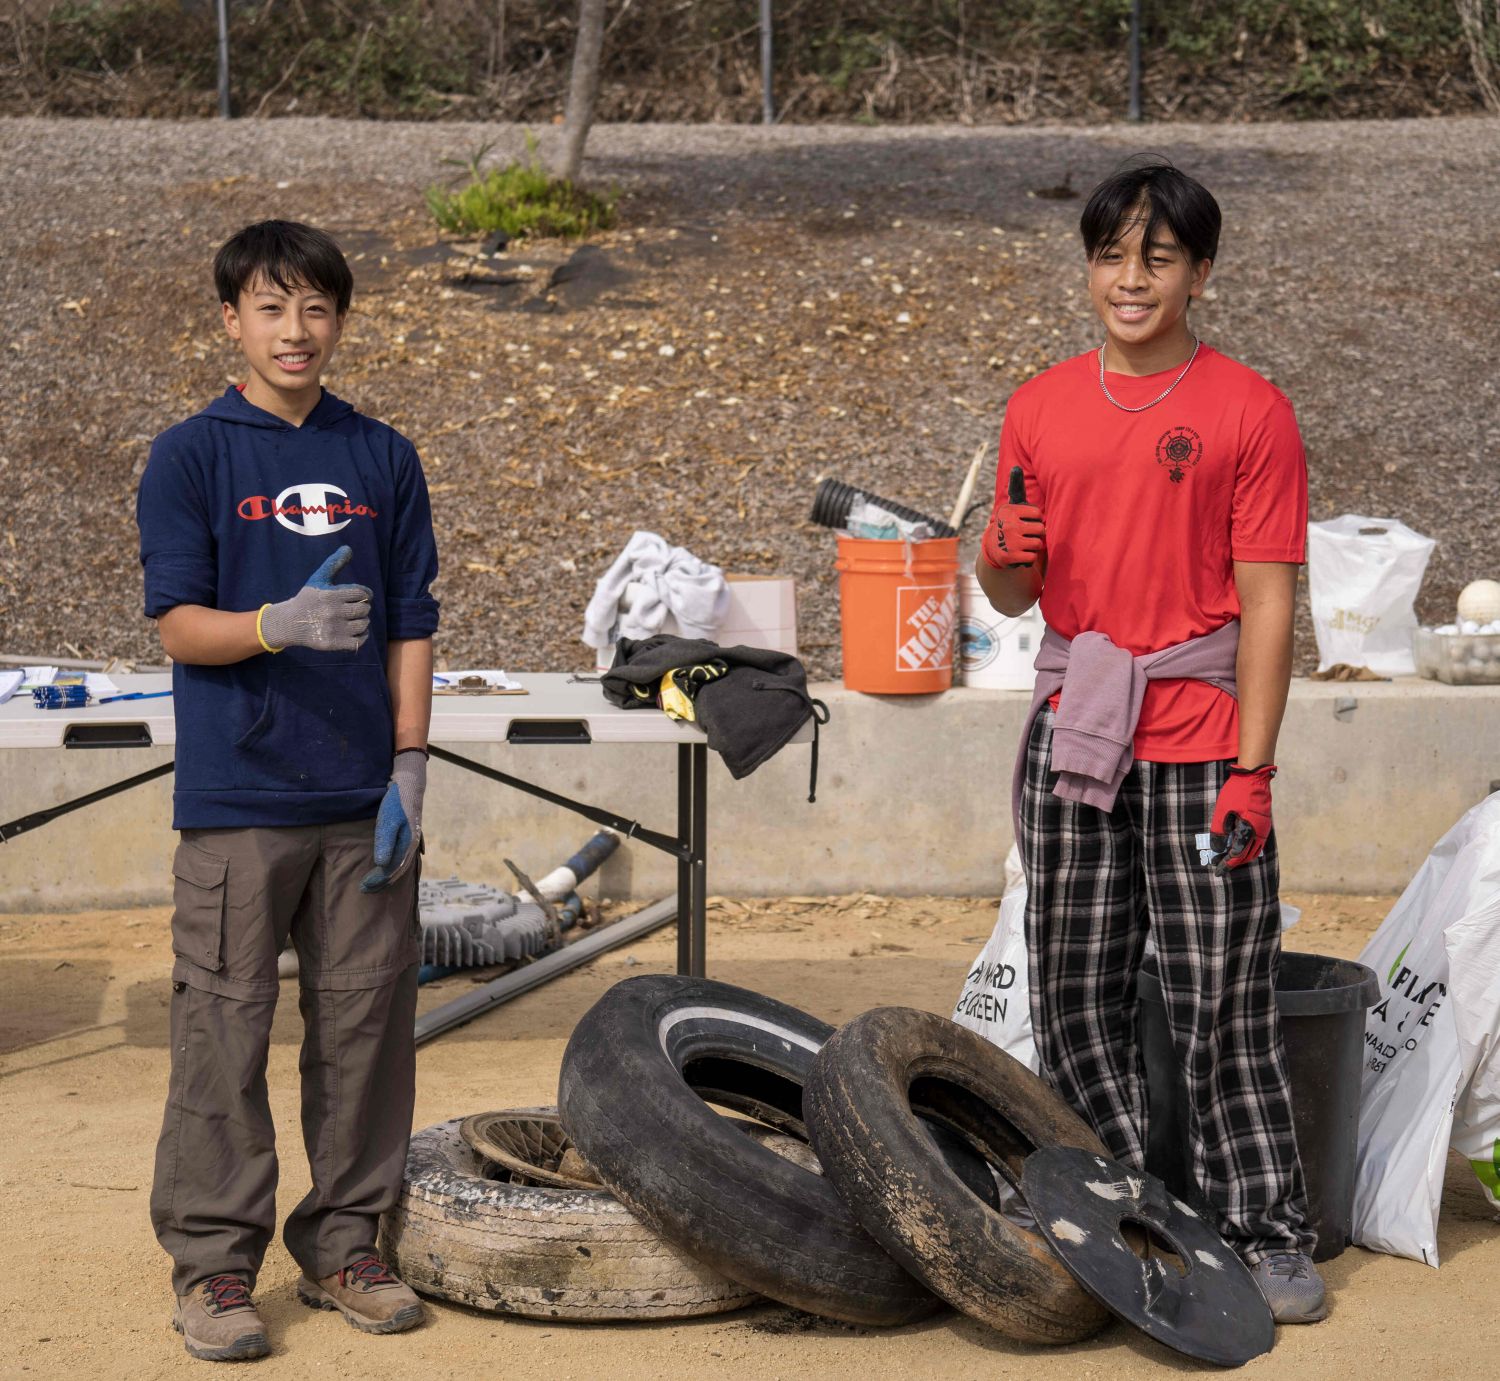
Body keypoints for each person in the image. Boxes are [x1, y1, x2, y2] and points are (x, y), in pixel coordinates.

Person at [976, 159, 1325, 1324]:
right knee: (1076, 990)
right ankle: (1136, 1208)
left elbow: (1270, 602)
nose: (1131, 279)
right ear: (1090, 267)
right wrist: (1000, 554)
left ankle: (1267, 1227)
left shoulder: (1249, 410)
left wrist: (1256, 772)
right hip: (1078, 731)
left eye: (1157, 257)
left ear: (1200, 274)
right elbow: (1018, 596)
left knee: (1220, 992)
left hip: (1199, 739)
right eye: (1112, 255)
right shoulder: (1039, 404)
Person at [136, 219, 439, 1361]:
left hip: (362, 798)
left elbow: (412, 617)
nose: (296, 330)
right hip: (238, 802)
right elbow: (176, 623)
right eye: (271, 307)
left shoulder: (382, 457)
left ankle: (347, 1244)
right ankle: (215, 1266)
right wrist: (274, 624)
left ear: (340, 321)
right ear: (232, 320)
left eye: (316, 308)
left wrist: (409, 762)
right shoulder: (192, 455)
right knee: (223, 1032)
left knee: (366, 1033)